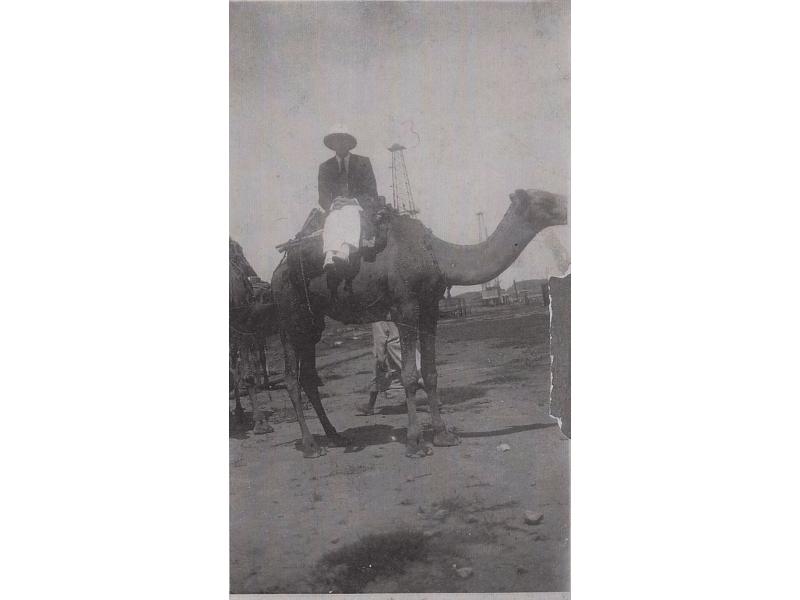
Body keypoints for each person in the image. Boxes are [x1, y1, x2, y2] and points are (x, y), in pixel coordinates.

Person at [317, 126, 378, 271]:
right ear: (332, 145)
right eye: (336, 141)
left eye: (343, 141)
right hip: (336, 206)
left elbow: (372, 191)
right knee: (332, 216)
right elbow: (323, 195)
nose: (340, 144)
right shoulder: (325, 167)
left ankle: (344, 249)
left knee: (350, 211)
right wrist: (333, 204)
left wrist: (353, 201)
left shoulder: (363, 162)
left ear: (349, 144)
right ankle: (330, 255)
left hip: (357, 205)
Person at [356, 319, 422, 416]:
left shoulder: (377, 316)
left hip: (392, 347)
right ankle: (370, 405)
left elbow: (380, 337)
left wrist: (380, 356)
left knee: (416, 373)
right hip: (403, 341)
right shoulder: (394, 309)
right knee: (378, 375)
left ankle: (435, 400)